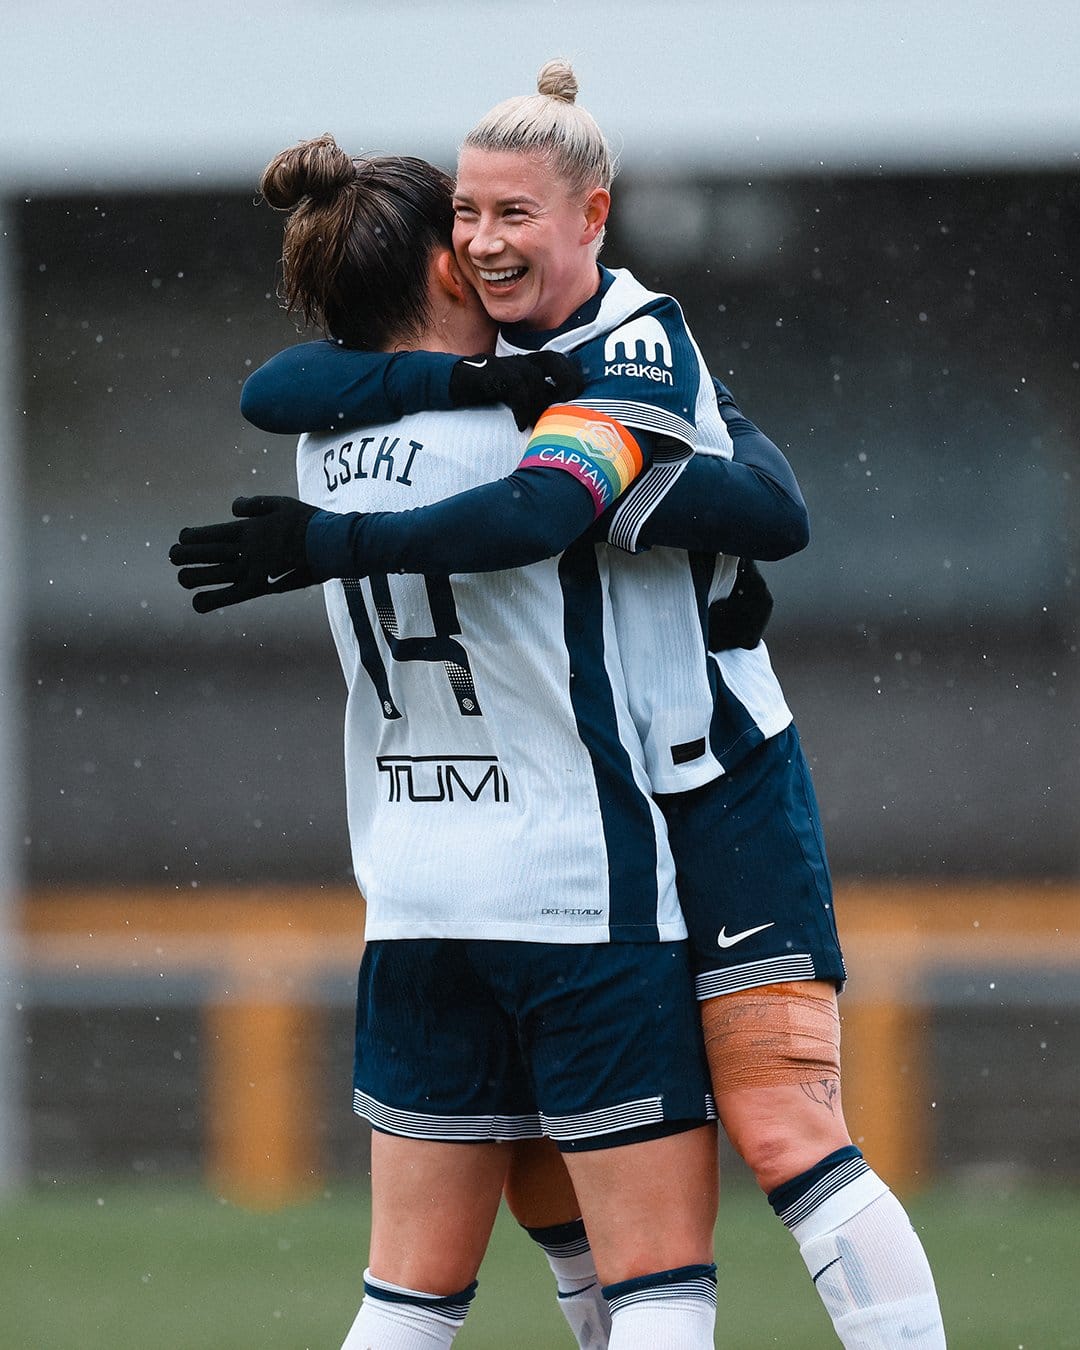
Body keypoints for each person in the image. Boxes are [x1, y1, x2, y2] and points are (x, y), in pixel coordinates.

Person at [225, 61, 948, 1350]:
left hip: (708, 789)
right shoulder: (504, 374)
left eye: (515, 213)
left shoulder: (625, 354)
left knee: (780, 1131)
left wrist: (330, 536)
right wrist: (471, 390)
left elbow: (581, 510)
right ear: (444, 259)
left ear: (593, 217)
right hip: (579, 845)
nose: (489, 240)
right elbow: (288, 382)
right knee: (588, 1212)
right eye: (470, 217)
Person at [173, 136, 738, 1350]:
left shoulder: (322, 447)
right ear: (445, 264)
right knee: (661, 1287)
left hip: (415, 902)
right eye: (470, 231)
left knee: (407, 1302)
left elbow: (284, 385)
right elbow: (738, 507)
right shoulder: (542, 435)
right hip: (578, 892)